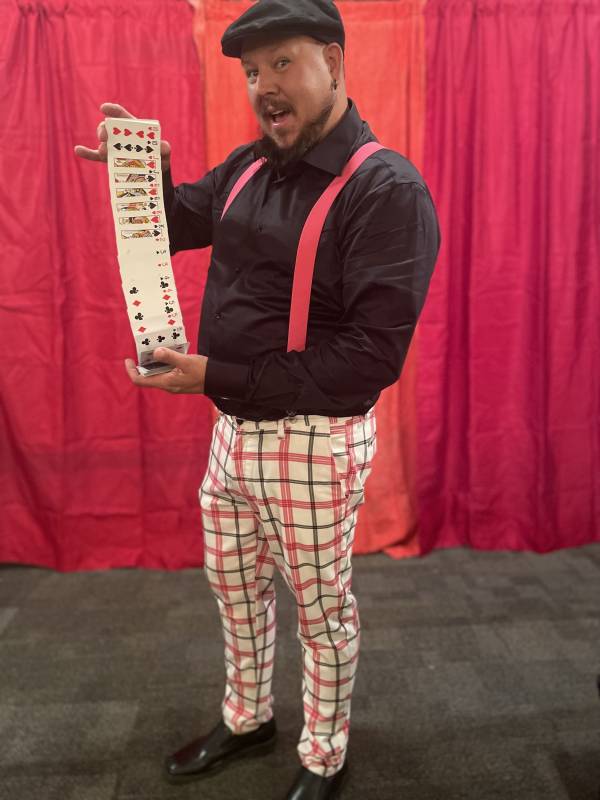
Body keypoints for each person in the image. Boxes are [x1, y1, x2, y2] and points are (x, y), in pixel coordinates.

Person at [75, 0, 440, 796]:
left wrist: (214, 376)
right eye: (250, 72)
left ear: (333, 63)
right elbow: (177, 222)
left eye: (282, 63)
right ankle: (248, 719)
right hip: (232, 430)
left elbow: (367, 362)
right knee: (234, 589)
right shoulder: (249, 165)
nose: (263, 86)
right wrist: (142, 174)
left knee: (320, 609)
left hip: (315, 437)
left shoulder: (386, 189)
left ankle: (324, 756)